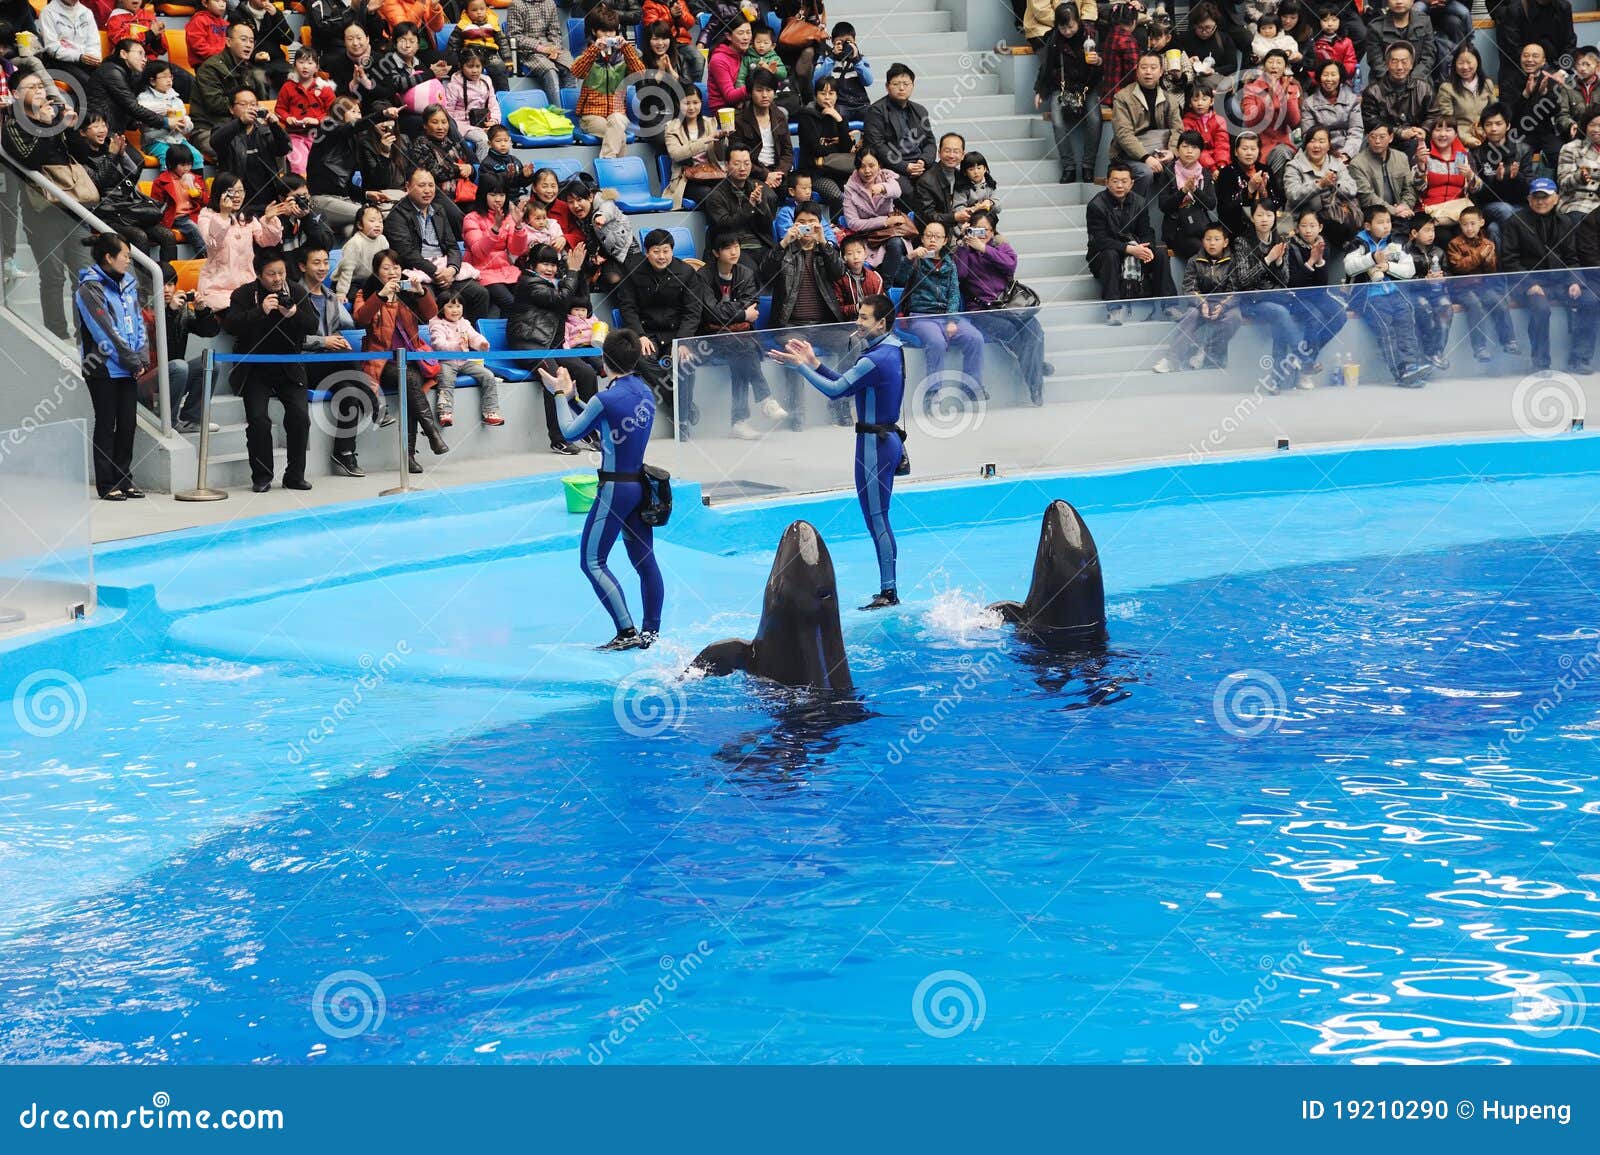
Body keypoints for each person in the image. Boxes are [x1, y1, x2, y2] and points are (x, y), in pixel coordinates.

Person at [768, 293, 907, 610]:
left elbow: (836, 391)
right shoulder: (891, 349)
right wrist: (815, 363)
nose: (858, 321)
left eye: (865, 317)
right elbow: (850, 382)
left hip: (875, 445)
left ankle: (889, 592)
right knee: (878, 518)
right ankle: (889, 589)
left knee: (877, 518)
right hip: (883, 441)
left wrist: (802, 368)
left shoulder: (875, 358)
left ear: (881, 322)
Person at [536, 329, 663, 651]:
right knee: (644, 561)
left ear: (604, 363)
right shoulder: (644, 391)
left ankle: (626, 631)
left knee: (592, 561)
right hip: (639, 486)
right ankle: (651, 632)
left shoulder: (606, 398)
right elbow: (607, 423)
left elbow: (569, 431)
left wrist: (558, 394)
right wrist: (574, 398)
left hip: (614, 490)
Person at [224, 247, 319, 491]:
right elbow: (232, 325)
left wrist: (294, 314)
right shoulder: (243, 295)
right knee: (258, 420)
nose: (277, 279)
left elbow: (313, 325)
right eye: (271, 274)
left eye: (281, 273)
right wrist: (260, 312)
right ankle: (262, 476)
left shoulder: (296, 291)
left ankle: (294, 475)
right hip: (255, 367)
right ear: (258, 275)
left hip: (289, 365)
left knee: (300, 417)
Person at [353, 248, 452, 473]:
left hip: (410, 358)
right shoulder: (367, 291)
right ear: (377, 271)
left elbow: (430, 314)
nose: (392, 272)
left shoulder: (408, 290)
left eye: (395, 267)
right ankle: (431, 433)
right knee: (409, 380)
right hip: (381, 361)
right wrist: (380, 296)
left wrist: (421, 292)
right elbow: (360, 318)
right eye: (386, 268)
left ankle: (409, 455)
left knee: (411, 389)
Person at [684, 229, 784, 440]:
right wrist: (741, 314)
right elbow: (710, 313)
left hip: (740, 337)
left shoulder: (745, 273)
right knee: (743, 350)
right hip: (709, 339)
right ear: (715, 252)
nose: (734, 251)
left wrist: (734, 313)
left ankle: (742, 421)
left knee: (741, 353)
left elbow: (751, 305)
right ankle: (761, 403)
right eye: (728, 248)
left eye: (737, 246)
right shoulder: (703, 276)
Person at [75, 233, 149, 501]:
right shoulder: (89, 289)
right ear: (109, 257)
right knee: (107, 423)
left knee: (128, 423)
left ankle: (124, 478)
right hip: (102, 368)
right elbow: (104, 332)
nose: (129, 261)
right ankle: (107, 484)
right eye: (125, 256)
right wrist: (131, 359)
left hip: (128, 366)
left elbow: (138, 322)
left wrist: (141, 356)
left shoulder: (128, 284)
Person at [511, 241, 601, 453]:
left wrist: (579, 270)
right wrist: (572, 271)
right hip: (530, 346)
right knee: (555, 379)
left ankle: (587, 430)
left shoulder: (554, 282)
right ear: (533, 265)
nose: (550, 269)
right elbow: (560, 300)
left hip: (553, 346)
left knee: (587, 373)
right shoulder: (528, 283)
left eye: (553, 264)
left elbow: (579, 300)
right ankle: (559, 438)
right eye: (544, 263)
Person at [1499, 177, 1594, 373]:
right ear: (1529, 199)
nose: (1541, 201)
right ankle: (1541, 364)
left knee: (1590, 300)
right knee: (1541, 309)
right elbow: (1509, 260)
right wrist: (1530, 284)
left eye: (1545, 197)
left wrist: (1575, 281)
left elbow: (1571, 258)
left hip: (1559, 282)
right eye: (1536, 197)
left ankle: (1580, 359)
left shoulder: (1566, 222)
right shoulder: (1514, 222)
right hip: (1528, 284)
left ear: (1556, 198)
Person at [763, 202, 845, 429]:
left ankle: (841, 405)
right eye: (801, 222)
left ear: (820, 225)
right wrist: (784, 242)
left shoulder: (826, 248)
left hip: (824, 326)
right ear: (793, 225)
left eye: (812, 222)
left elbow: (838, 273)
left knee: (852, 342)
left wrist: (823, 243)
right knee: (794, 348)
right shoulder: (784, 249)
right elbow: (765, 274)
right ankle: (796, 414)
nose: (807, 227)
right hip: (789, 325)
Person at [956, 209, 1047, 405]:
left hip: (1009, 305)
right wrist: (964, 245)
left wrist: (985, 249)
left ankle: (1036, 379)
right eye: (977, 230)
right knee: (1010, 331)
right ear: (969, 229)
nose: (982, 234)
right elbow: (960, 275)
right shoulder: (963, 250)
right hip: (981, 310)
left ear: (994, 230)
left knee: (1036, 332)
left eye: (986, 230)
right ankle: (1036, 371)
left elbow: (1010, 265)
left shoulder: (1000, 246)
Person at [615, 228, 700, 424]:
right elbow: (627, 307)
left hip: (676, 333)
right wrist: (639, 335)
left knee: (686, 362)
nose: (661, 256)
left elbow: (692, 311)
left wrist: (682, 341)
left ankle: (683, 422)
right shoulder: (633, 271)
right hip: (648, 332)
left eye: (666, 251)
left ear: (672, 251)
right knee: (640, 358)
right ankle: (681, 407)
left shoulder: (686, 272)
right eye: (656, 251)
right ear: (647, 252)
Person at [384, 166, 492, 319]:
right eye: (421, 185)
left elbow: (452, 246)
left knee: (480, 294)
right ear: (407, 187)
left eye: (431, 185)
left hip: (444, 269)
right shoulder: (397, 215)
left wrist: (452, 270)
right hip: (415, 273)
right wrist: (435, 273)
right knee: (429, 301)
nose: (427, 190)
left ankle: (470, 335)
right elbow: (407, 253)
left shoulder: (438, 209)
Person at [1343, 204, 1431, 386]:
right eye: (1380, 222)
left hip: (1395, 293)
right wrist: (1372, 258)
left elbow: (1409, 269)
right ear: (1368, 226)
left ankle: (1411, 366)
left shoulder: (1395, 243)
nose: (1386, 226)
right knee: (1386, 329)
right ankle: (1401, 372)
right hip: (1369, 297)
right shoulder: (1358, 243)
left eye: (1388, 222)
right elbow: (1349, 267)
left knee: (1406, 323)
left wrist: (1389, 267)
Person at [1085, 160, 1175, 325]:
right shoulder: (1096, 205)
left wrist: (1145, 248)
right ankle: (1114, 309)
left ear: (1132, 183)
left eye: (1124, 181)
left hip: (1135, 250)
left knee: (1160, 253)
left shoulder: (1139, 202)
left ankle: (1169, 306)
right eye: (1115, 181)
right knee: (1110, 254)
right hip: (1104, 258)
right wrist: (1128, 249)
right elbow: (1099, 240)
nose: (1120, 185)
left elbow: (1146, 231)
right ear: (1107, 182)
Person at [1152, 222, 1242, 375]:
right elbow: (1189, 288)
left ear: (1225, 242)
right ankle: (1172, 360)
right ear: (1202, 241)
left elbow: (1235, 291)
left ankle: (1206, 351)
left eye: (1216, 239)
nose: (1212, 243)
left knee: (1234, 318)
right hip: (1200, 302)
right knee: (1191, 315)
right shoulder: (1194, 261)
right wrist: (1202, 304)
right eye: (1208, 239)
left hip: (1225, 303)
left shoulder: (1233, 262)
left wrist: (1222, 306)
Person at [1033, 2, 1102, 186]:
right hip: (1062, 87)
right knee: (1057, 120)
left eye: (1070, 26)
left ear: (1078, 21)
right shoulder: (1054, 38)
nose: (1067, 31)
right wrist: (1040, 90)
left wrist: (1098, 62)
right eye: (1063, 27)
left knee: (1095, 118)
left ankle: (1088, 166)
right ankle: (1068, 167)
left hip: (1088, 86)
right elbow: (1047, 66)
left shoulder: (1092, 35)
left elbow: (1104, 63)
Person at [1444, 203, 1519, 362]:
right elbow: (1459, 267)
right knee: (1475, 305)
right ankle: (1480, 348)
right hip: (1462, 289)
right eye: (1465, 225)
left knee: (1499, 302)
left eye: (1473, 224)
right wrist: (1480, 256)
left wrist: (1489, 259)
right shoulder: (1454, 244)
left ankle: (1509, 341)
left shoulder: (1488, 243)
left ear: (1481, 223)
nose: (1469, 228)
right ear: (1460, 225)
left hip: (1482, 286)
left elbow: (1490, 271)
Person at [1283, 208, 1346, 386]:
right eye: (1304, 226)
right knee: (1315, 316)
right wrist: (1310, 261)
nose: (1308, 230)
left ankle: (1304, 358)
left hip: (1317, 294)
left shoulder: (1323, 246)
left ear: (1320, 227)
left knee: (1339, 315)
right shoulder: (1290, 247)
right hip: (1295, 296)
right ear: (1297, 228)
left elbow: (1323, 282)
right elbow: (1293, 282)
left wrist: (1319, 261)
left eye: (1312, 226)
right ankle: (1306, 364)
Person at [1109, 52, 1183, 201]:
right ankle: (1132, 214)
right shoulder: (1122, 97)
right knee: (1145, 172)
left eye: (1153, 67)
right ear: (1137, 70)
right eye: (1143, 67)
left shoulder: (1170, 98)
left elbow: (1178, 129)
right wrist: (1146, 158)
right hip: (1128, 156)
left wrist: (1172, 152)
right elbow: (1123, 134)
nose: (1148, 71)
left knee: (1182, 168)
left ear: (1161, 71)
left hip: (1160, 152)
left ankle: (1174, 218)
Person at [572, 7, 644, 157]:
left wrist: (626, 48)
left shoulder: (624, 56)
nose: (608, 35)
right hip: (591, 116)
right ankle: (614, 168)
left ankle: (607, 163)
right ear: (594, 32)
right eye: (604, 31)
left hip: (617, 113)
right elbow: (576, 72)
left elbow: (640, 74)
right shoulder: (588, 54)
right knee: (620, 136)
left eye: (611, 31)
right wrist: (594, 50)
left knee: (617, 121)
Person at [192, 21, 270, 157]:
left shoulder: (248, 69)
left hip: (243, 126)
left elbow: (258, 100)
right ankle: (233, 179)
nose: (248, 45)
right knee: (239, 150)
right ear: (228, 42)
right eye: (243, 39)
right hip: (209, 128)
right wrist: (246, 109)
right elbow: (215, 103)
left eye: (251, 41)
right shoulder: (210, 68)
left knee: (274, 145)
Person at [699, 143, 777, 277]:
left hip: (761, 245)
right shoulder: (715, 195)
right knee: (750, 273)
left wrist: (760, 204)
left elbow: (767, 225)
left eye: (747, 163)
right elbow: (725, 226)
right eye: (737, 164)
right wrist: (750, 206)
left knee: (786, 266)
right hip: (733, 248)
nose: (742, 168)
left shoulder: (756, 188)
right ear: (727, 165)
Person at [428, 288, 503, 428]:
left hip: (464, 361)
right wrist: (456, 345)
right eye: (450, 306)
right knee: (446, 379)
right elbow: (438, 344)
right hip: (446, 361)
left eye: (458, 306)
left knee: (488, 375)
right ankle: (445, 412)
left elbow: (473, 336)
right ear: (441, 308)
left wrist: (482, 343)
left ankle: (490, 411)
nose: (455, 310)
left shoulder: (464, 323)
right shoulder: (436, 324)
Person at [841, 147, 912, 287]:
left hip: (889, 234)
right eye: (862, 167)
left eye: (871, 165)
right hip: (866, 237)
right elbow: (853, 223)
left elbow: (897, 191)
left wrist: (883, 188)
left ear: (879, 165)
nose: (867, 171)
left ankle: (886, 286)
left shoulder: (885, 176)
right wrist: (884, 221)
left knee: (896, 244)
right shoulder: (850, 188)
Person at [1283, 124, 1360, 246]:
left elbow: (1352, 189)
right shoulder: (1294, 165)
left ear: (1329, 145)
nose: (1316, 146)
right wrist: (1319, 185)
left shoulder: (1337, 164)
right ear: (1306, 144)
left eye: (1321, 141)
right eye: (1312, 141)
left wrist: (1335, 184)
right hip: (1301, 220)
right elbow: (1293, 195)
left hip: (1333, 218)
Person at [861, 62, 934, 182]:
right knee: (910, 192)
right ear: (887, 86)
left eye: (906, 84)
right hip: (892, 167)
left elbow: (930, 141)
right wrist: (905, 166)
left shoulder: (920, 111)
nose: (901, 88)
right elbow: (877, 146)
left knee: (939, 184)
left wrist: (924, 161)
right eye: (896, 84)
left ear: (912, 86)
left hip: (919, 164)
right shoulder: (876, 111)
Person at [1350, 120, 1420, 241]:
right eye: (1373, 137)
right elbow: (1367, 197)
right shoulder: (1357, 164)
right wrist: (1394, 211)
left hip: (1401, 213)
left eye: (1382, 137)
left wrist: (1405, 205)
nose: (1377, 141)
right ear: (1367, 137)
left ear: (1391, 137)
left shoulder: (1401, 157)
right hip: (1375, 215)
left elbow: (1409, 188)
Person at [1160, 130, 1220, 263]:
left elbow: (1211, 204)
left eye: (1194, 147)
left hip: (1200, 228)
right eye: (1185, 146)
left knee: (1218, 247)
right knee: (1201, 249)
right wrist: (1183, 191)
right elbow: (1164, 205)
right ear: (1177, 149)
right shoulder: (1169, 171)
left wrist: (1194, 190)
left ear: (1200, 151)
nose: (1189, 151)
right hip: (1177, 230)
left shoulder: (1205, 173)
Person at [664, 86, 727, 210]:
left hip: (712, 174)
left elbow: (721, 155)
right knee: (711, 196)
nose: (691, 107)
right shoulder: (672, 127)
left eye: (695, 102)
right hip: (687, 180)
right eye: (687, 103)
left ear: (701, 103)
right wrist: (704, 141)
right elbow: (676, 154)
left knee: (731, 193)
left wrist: (722, 140)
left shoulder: (710, 123)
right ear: (678, 104)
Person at [796, 75, 853, 209]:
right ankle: (836, 227)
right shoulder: (806, 117)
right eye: (823, 93)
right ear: (816, 95)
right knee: (835, 195)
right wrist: (836, 146)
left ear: (837, 95)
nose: (827, 97)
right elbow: (817, 149)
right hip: (815, 172)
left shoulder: (839, 116)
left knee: (857, 190)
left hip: (839, 170)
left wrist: (839, 120)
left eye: (831, 93)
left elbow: (847, 148)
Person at [731, 68, 794, 190]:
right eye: (759, 90)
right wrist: (766, 175)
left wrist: (779, 173)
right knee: (769, 196)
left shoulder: (780, 116)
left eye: (769, 90)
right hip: (754, 173)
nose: (764, 95)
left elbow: (787, 152)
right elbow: (739, 157)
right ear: (750, 92)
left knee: (800, 190)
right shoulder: (740, 120)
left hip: (777, 172)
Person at [1405, 216, 1453, 369]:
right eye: (1426, 230)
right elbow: (1404, 279)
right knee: (1424, 308)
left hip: (1437, 293)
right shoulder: (1406, 253)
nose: (1431, 234)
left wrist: (1443, 277)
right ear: (1414, 233)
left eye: (1432, 230)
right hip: (1416, 294)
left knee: (1446, 307)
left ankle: (1436, 352)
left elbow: (1449, 273)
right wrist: (1424, 280)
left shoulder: (1439, 251)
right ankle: (1428, 352)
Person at [504, 0, 573, 104]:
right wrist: (540, 48)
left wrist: (555, 47)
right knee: (550, 70)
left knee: (571, 67)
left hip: (551, 46)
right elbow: (514, 36)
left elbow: (555, 31)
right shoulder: (517, 4)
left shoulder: (550, 3)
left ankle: (570, 107)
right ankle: (558, 111)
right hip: (528, 51)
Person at [137, 59, 202, 169]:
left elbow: (184, 122)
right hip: (155, 141)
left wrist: (186, 123)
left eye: (170, 76)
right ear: (152, 81)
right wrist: (168, 110)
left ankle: (196, 185)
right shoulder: (144, 97)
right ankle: (167, 185)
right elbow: (142, 108)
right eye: (164, 77)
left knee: (196, 156)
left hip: (178, 140)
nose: (169, 80)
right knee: (168, 157)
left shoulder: (176, 98)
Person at [1431, 45, 1496, 149]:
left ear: (1477, 62)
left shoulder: (1487, 84)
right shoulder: (1447, 88)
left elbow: (1495, 112)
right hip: (1460, 139)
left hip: (1487, 135)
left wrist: (1487, 132)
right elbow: (1448, 123)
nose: (1465, 67)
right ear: (1454, 65)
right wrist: (1466, 138)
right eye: (1460, 63)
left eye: (1469, 62)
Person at [150, 147, 208, 256]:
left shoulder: (195, 178)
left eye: (189, 164)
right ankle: (204, 255)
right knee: (192, 228)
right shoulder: (161, 182)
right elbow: (156, 205)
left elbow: (206, 201)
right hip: (177, 217)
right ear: (172, 164)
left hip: (195, 214)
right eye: (182, 165)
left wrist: (199, 194)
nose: (187, 168)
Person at [1303, 59, 1361, 164]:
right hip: (1319, 152)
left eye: (1333, 74)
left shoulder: (1352, 100)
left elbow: (1356, 130)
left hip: (1348, 151)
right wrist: (1327, 154)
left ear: (1340, 78)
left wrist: (1346, 154)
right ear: (1319, 77)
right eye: (1325, 75)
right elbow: (1308, 135)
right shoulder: (1309, 103)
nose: (1329, 79)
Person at [812, 19, 871, 119]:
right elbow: (815, 81)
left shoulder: (860, 59)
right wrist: (832, 58)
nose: (844, 46)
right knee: (833, 115)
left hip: (861, 104)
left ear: (854, 41)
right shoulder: (826, 58)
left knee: (874, 115)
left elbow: (868, 81)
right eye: (840, 42)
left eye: (848, 42)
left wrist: (856, 60)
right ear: (833, 42)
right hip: (839, 105)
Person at [912, 132, 968, 233]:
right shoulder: (926, 181)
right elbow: (927, 216)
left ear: (962, 155)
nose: (951, 155)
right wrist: (954, 217)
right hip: (935, 235)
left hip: (960, 230)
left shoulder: (962, 176)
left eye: (956, 151)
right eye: (947, 151)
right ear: (939, 153)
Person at [1556, 109, 1600, 226]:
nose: (1596, 129)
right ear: (1585, 126)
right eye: (1592, 125)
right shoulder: (1571, 148)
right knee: (1583, 222)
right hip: (1578, 202)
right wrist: (1579, 177)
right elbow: (1563, 183)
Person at [1184, 85, 1231, 176]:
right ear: (1190, 103)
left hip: (1220, 162)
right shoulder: (1187, 122)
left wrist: (1222, 165)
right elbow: (1195, 148)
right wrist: (1212, 168)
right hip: (1199, 162)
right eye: (1195, 100)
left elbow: (1222, 144)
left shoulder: (1219, 120)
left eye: (1204, 99)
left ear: (1211, 101)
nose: (1200, 103)